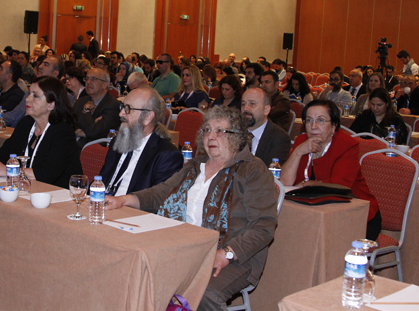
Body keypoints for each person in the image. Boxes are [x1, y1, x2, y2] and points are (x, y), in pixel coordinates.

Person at [105, 105, 277, 311]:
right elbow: (162, 192)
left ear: (237, 137)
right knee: (132, 265)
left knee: (203, 293)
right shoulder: (195, 165)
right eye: (207, 130)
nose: (211, 136)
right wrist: (124, 200)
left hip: (234, 256)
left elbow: (263, 226)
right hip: (185, 248)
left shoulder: (253, 170)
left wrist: (227, 254)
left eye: (220, 131)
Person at [281, 100, 381, 240]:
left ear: (334, 126)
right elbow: (285, 182)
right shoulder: (301, 141)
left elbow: (339, 185)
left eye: (320, 120)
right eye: (309, 120)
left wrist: (306, 185)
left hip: (357, 214)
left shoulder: (347, 145)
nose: (313, 126)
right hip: (314, 211)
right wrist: (298, 152)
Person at [0, 76, 81, 188]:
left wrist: (6, 170)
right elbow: (5, 152)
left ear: (51, 105)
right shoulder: (26, 123)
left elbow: (47, 174)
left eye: (35, 96)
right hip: (29, 187)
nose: (27, 99)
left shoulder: (63, 131)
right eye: (29, 93)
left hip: (58, 192)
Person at [99, 86, 182, 195]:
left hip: (131, 205)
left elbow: (157, 201)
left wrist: (121, 201)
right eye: (122, 107)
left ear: (148, 117)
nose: (121, 113)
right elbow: (102, 181)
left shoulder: (167, 156)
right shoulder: (118, 141)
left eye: (128, 108)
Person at [242, 87, 291, 166]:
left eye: (252, 104)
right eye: (243, 104)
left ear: (266, 110)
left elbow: (270, 172)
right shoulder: (233, 132)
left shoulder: (279, 138)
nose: (245, 108)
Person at [73, 68, 121, 148]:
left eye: (93, 79)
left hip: (94, 151)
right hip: (74, 146)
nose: (88, 82)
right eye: (87, 78)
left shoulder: (113, 105)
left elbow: (93, 132)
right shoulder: (81, 101)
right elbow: (70, 125)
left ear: (104, 84)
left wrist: (87, 110)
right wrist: (84, 130)